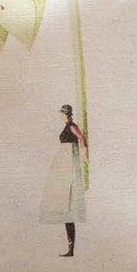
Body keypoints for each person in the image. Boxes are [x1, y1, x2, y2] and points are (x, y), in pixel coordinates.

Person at [38, 104, 88, 256]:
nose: (61, 115)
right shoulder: (67, 126)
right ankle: (70, 248)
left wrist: (84, 155)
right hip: (64, 160)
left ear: (66, 114)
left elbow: (81, 138)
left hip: (69, 160)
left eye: (62, 113)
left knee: (69, 203)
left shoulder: (72, 126)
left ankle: (71, 249)